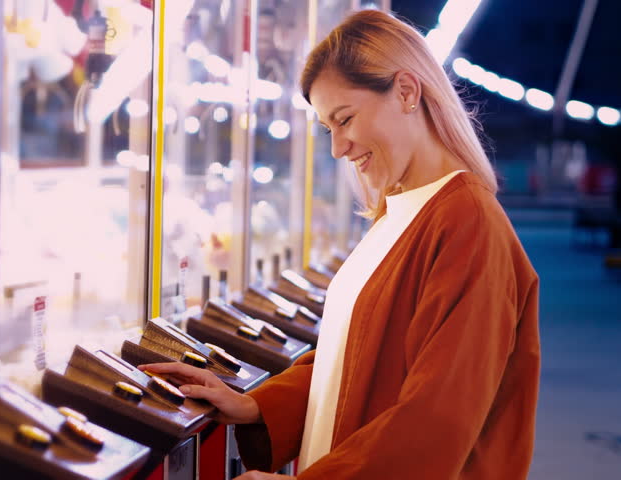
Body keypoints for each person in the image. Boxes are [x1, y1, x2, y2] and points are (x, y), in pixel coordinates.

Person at [140, 8, 540, 480]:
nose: (338, 148)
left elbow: (438, 419)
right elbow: (356, 360)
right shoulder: (403, 210)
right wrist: (254, 407)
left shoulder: (467, 223)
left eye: (345, 119)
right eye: (328, 128)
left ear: (407, 92)